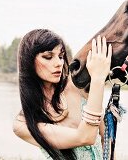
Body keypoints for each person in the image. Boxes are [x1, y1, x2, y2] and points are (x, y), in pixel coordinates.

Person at [12, 29, 112, 160]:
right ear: (28, 62)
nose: (59, 63)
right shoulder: (23, 124)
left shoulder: (76, 86)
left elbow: (106, 137)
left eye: (60, 56)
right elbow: (85, 137)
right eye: (48, 57)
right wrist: (97, 78)